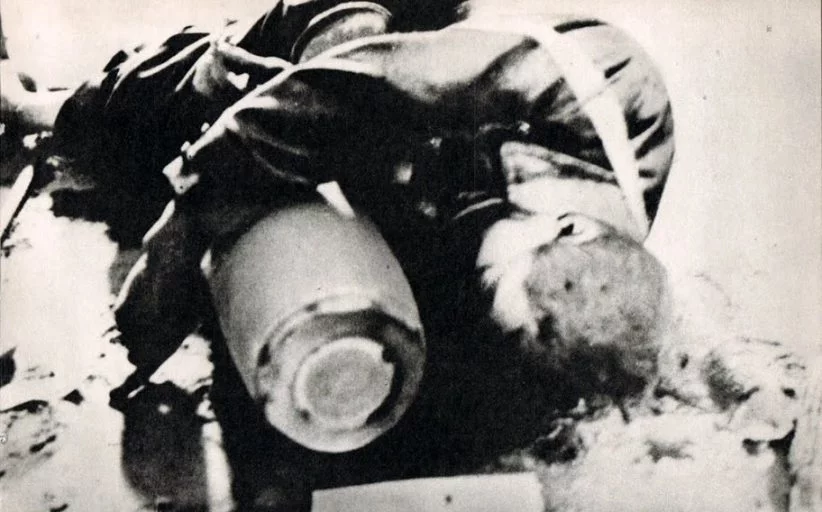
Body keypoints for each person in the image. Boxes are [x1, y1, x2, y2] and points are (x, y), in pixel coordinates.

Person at [2, 0, 673, 414]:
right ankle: (42, 108)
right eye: (496, 277)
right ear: (566, 225)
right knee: (240, 97)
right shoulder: (594, 83)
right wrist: (181, 233)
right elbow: (352, 87)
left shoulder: (587, 271)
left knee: (295, 158)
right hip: (402, 23)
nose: (482, 275)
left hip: (427, 129)